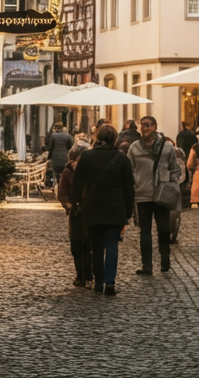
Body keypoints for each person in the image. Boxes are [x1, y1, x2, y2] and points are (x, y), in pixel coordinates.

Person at [71, 124, 135, 296]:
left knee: (97, 246)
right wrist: (128, 211)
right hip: (116, 208)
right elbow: (129, 188)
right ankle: (110, 283)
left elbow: (77, 183)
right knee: (112, 246)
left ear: (97, 137)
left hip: (93, 207)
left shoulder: (87, 157)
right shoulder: (122, 159)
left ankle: (98, 282)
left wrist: (76, 203)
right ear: (114, 139)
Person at [127, 116, 180, 274]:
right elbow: (129, 169)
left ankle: (165, 260)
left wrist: (171, 184)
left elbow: (175, 169)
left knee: (163, 229)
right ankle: (147, 265)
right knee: (145, 231)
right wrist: (133, 184)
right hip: (142, 195)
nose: (145, 128)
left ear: (155, 127)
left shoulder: (167, 147)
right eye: (142, 125)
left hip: (162, 195)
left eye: (148, 125)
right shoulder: (135, 148)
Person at [56, 143, 92, 286]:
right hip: (76, 213)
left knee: (88, 244)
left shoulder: (91, 171)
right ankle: (80, 274)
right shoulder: (68, 172)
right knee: (76, 245)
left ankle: (88, 275)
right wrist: (69, 205)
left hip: (89, 212)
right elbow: (62, 193)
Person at [45, 122, 75, 187]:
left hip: (56, 158)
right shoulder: (68, 136)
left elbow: (51, 148)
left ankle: (57, 187)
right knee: (64, 173)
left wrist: (49, 157)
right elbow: (71, 147)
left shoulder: (53, 136)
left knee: (56, 174)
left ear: (55, 128)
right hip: (65, 158)